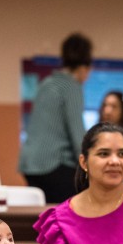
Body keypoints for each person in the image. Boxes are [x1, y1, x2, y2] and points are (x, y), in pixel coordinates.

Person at [19, 32, 93, 203]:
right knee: (70, 211)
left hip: (30, 163)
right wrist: (91, 162)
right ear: (84, 68)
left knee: (43, 214)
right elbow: (77, 135)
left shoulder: (47, 83)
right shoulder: (71, 87)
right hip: (53, 163)